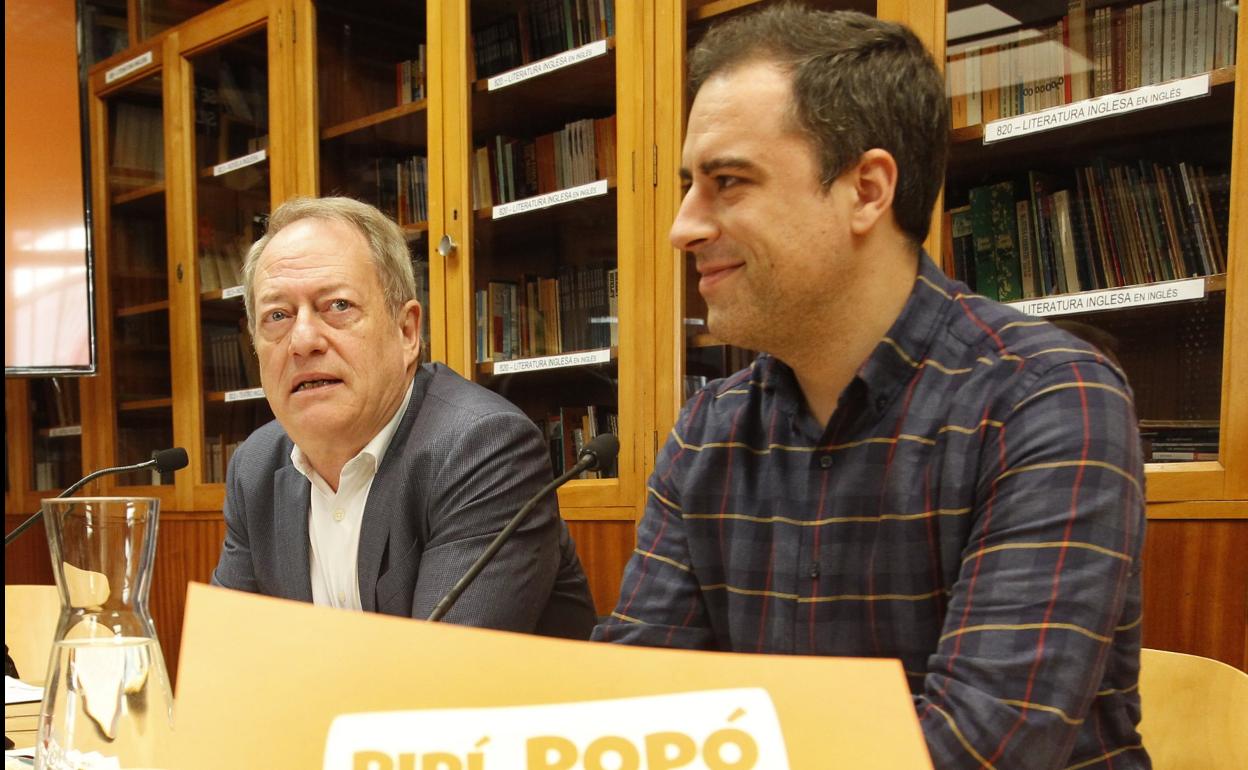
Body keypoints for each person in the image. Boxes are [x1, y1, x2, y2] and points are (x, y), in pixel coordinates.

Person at [593, 7, 1148, 768]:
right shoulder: (708, 430)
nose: (682, 227)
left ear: (867, 189)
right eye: (692, 185)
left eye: (728, 182)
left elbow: (979, 749)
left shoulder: (1047, 400)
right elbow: (631, 712)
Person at [212, 196, 596, 639]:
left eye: (337, 306)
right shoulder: (256, 467)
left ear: (407, 331)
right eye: (277, 315)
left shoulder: (483, 448)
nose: (303, 340)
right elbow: (229, 655)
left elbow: (441, 672)